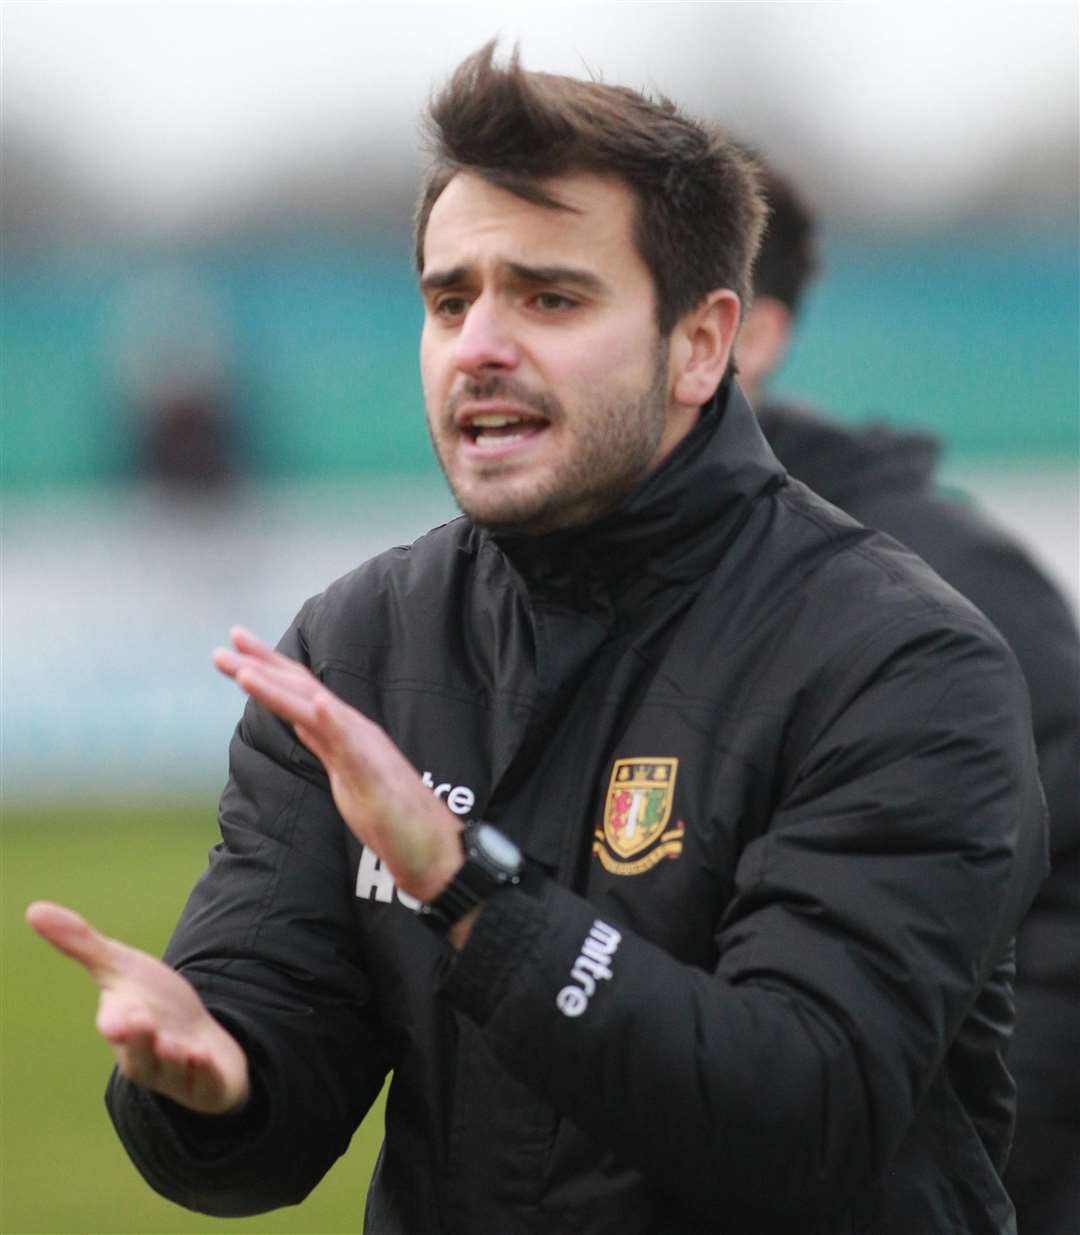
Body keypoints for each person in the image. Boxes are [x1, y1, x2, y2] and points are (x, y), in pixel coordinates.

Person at [27, 43, 1048, 1234]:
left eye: (550, 296)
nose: (479, 346)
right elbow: (265, 1097)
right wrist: (211, 1082)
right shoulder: (360, 647)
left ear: (702, 343)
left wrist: (467, 887)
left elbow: (799, 1106)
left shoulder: (901, 664)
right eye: (450, 298)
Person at [737, 161, 1080, 1235]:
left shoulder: (952, 589)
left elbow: (1060, 929)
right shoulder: (548, 588)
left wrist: (940, 1193)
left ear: (749, 332)